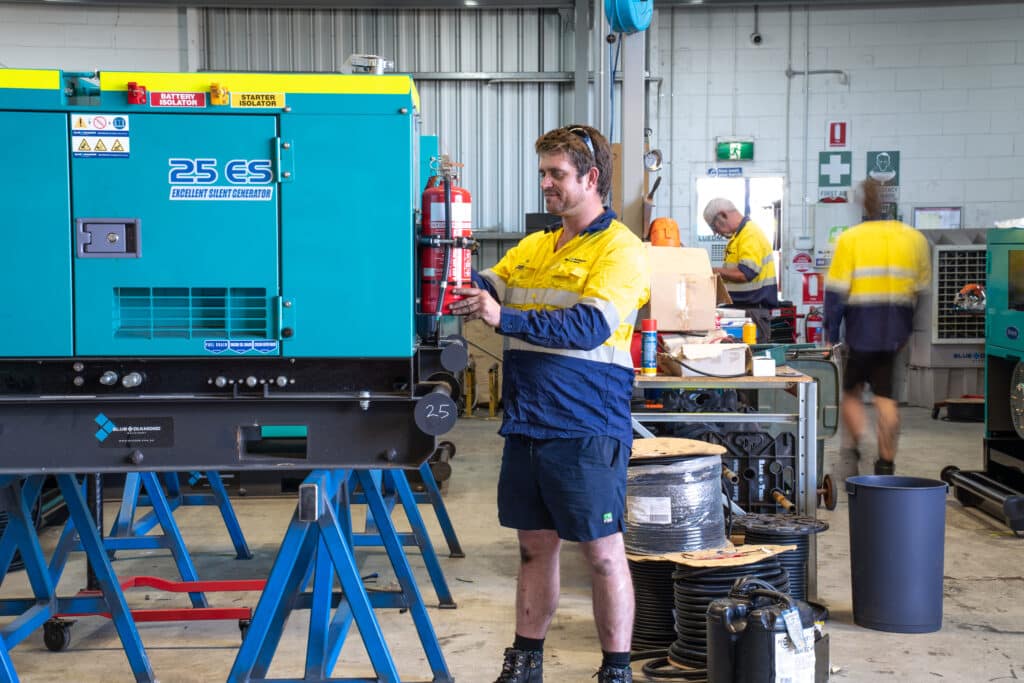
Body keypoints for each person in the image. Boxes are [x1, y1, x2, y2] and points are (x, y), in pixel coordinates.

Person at [449, 124, 650, 683]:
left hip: (586, 422)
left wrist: (500, 316)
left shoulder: (621, 250)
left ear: (591, 179)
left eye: (556, 174)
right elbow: (493, 278)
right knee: (534, 549)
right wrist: (458, 269)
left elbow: (589, 325)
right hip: (529, 420)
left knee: (604, 553)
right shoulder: (537, 245)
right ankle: (525, 663)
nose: (546, 184)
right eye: (543, 173)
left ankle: (616, 671)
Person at [825, 178, 930, 476]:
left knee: (852, 393)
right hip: (896, 329)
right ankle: (886, 463)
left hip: (860, 329)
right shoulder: (913, 238)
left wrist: (830, 334)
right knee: (886, 398)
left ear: (862, 203)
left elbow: (836, 292)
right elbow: (921, 291)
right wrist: (909, 330)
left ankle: (853, 451)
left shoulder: (851, 239)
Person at [703, 198, 778, 342]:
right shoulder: (739, 237)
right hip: (745, 311)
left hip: (753, 313)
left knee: (751, 361)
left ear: (723, 215)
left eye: (714, 226)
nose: (715, 233)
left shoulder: (750, 234)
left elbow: (745, 273)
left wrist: (711, 271)